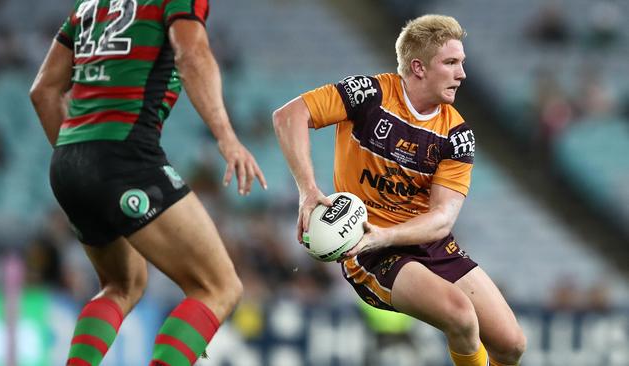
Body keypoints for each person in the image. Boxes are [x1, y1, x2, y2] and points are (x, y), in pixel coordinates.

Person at [273, 15, 526, 366]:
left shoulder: (456, 134)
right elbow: (289, 115)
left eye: (462, 63)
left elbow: (441, 219)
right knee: (460, 315)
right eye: (451, 63)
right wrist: (308, 190)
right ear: (419, 67)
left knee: (511, 345)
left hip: (419, 240)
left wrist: (388, 234)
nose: (462, 74)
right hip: (368, 247)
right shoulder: (368, 95)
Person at [29, 0, 267, 365]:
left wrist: (82, 164)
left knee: (122, 286)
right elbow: (192, 54)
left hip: (69, 161)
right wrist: (226, 136)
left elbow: (43, 90)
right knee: (218, 287)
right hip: (125, 156)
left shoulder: (89, 6)